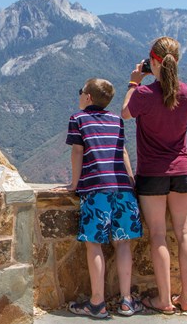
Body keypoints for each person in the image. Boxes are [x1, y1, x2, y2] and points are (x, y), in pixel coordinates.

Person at [120, 36, 187, 315]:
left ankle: (164, 301)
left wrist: (133, 81)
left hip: (152, 172)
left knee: (158, 236)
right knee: (185, 233)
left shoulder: (143, 95)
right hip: (182, 170)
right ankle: (186, 299)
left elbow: (125, 113)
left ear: (153, 61)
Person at [61, 77, 143, 319]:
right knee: (124, 242)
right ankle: (127, 301)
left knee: (94, 243)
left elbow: (78, 152)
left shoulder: (78, 119)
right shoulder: (117, 120)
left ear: (87, 97)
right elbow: (123, 151)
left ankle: (97, 303)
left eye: (80, 91)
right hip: (123, 188)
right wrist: (130, 180)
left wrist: (74, 184)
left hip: (95, 188)